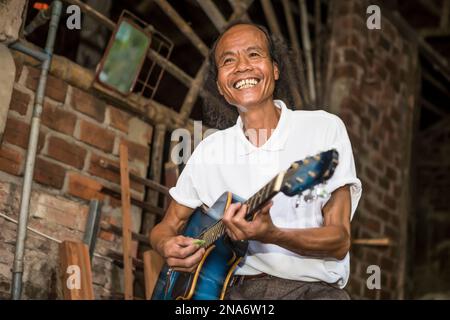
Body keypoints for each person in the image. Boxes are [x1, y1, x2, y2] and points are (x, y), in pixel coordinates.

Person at [150, 22, 362, 300]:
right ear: (221, 87)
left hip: (312, 291)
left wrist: (272, 234)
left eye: (253, 54)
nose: (241, 66)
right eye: (228, 60)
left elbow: (340, 240)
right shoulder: (210, 149)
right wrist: (166, 244)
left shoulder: (323, 129)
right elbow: (165, 226)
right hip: (232, 292)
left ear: (275, 70)